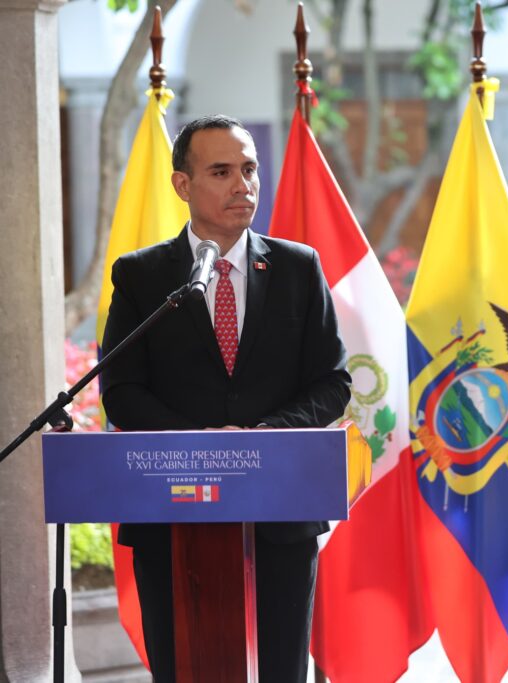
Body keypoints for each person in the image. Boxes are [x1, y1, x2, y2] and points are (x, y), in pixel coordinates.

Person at [101, 114, 351, 682]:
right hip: (171, 515)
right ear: (182, 185)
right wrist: (202, 446)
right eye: (221, 172)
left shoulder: (297, 267)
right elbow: (122, 391)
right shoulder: (142, 276)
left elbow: (332, 382)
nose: (244, 185)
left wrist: (259, 439)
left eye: (250, 169)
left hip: (281, 512)